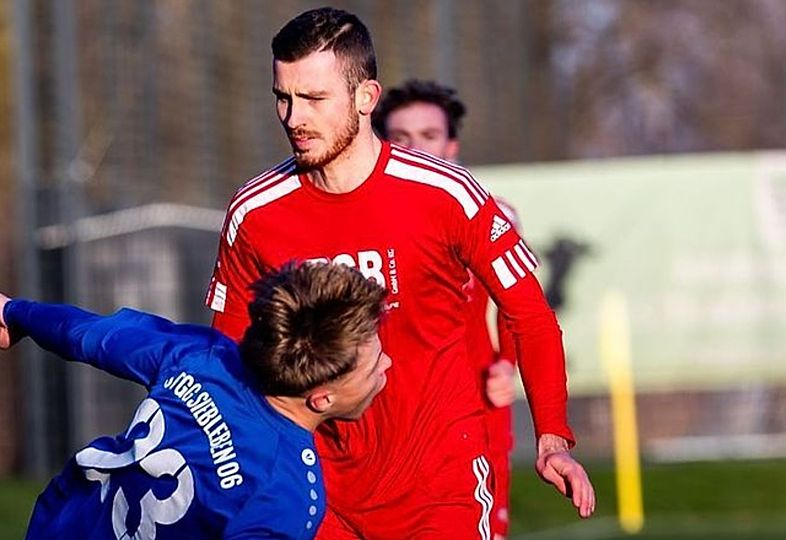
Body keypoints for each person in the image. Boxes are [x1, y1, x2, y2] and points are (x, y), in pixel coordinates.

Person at [207, 7, 595, 539]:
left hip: (440, 484)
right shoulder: (254, 214)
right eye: (283, 97)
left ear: (366, 98)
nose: (294, 117)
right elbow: (227, 350)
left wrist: (552, 436)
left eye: (315, 99)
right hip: (312, 487)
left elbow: (528, 313)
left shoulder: (447, 195)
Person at [0, 262, 390, 539]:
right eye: (372, 364)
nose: (386, 364)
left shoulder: (206, 357)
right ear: (321, 397)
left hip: (62, 525)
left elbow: (89, 335)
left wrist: (12, 311)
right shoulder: (289, 492)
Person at [373, 79, 519, 539]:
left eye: (429, 136)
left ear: (452, 145)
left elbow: (517, 304)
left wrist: (506, 364)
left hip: (470, 409)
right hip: (379, 412)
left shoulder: (492, 217)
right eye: (401, 138)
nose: (416, 149)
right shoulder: (364, 220)